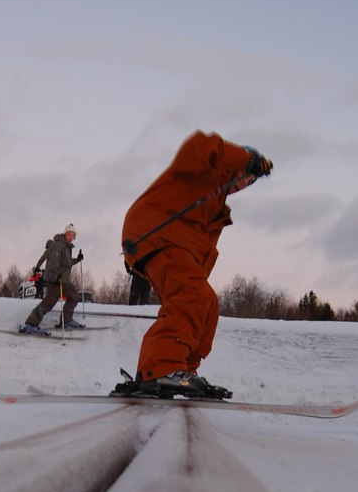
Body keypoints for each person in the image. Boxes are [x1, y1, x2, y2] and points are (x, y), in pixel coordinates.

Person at [114, 130, 272, 399]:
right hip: (154, 230)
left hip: (169, 244)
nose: (243, 184)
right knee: (192, 296)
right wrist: (246, 157)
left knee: (206, 301)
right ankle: (161, 367)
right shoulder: (203, 169)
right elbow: (199, 144)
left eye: (249, 183)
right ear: (235, 166)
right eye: (245, 176)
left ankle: (182, 369)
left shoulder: (217, 208)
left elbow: (201, 254)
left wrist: (193, 282)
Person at [20, 224, 84, 333]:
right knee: (48, 304)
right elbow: (53, 264)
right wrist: (55, 276)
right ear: (65, 234)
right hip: (55, 281)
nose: (70, 237)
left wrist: (77, 259)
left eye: (73, 235)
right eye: (69, 234)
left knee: (75, 296)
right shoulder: (58, 245)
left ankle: (66, 321)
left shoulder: (67, 247)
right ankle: (31, 324)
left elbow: (66, 264)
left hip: (63, 281)